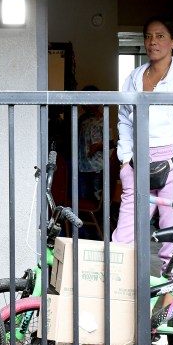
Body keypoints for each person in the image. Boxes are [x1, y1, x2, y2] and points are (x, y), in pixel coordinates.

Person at [110, 17, 173, 325]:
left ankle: (165, 314)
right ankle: (119, 311)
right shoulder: (134, 77)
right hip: (138, 165)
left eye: (160, 36)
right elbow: (124, 118)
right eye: (148, 36)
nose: (153, 41)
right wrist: (125, 158)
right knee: (123, 239)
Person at [76, 86, 105, 238]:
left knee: (96, 199)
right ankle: (86, 233)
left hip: (96, 167)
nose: (84, 104)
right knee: (84, 199)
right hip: (82, 165)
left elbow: (111, 142)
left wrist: (98, 146)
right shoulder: (82, 119)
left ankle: (97, 234)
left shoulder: (102, 118)